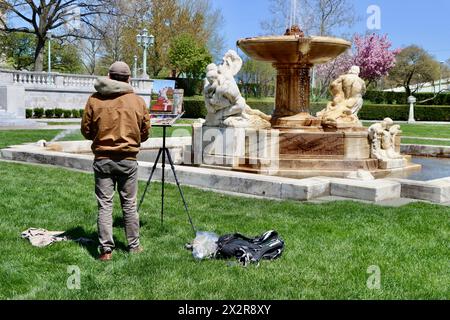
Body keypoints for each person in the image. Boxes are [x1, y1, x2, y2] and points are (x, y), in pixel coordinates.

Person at [81, 61, 151, 262]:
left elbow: (86, 131)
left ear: (109, 77)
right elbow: (145, 133)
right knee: (129, 205)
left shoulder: (94, 99)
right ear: (129, 78)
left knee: (105, 205)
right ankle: (134, 246)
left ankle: (106, 250)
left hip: (102, 159)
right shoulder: (137, 101)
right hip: (128, 160)